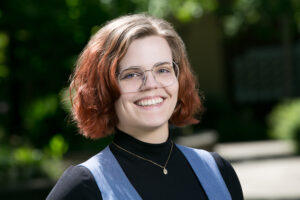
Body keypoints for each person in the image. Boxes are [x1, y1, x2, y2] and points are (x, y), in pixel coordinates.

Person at [46, 14, 243, 200]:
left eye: (163, 70)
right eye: (131, 74)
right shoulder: (83, 187)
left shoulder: (218, 171)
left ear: (178, 79)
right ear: (103, 89)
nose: (151, 84)